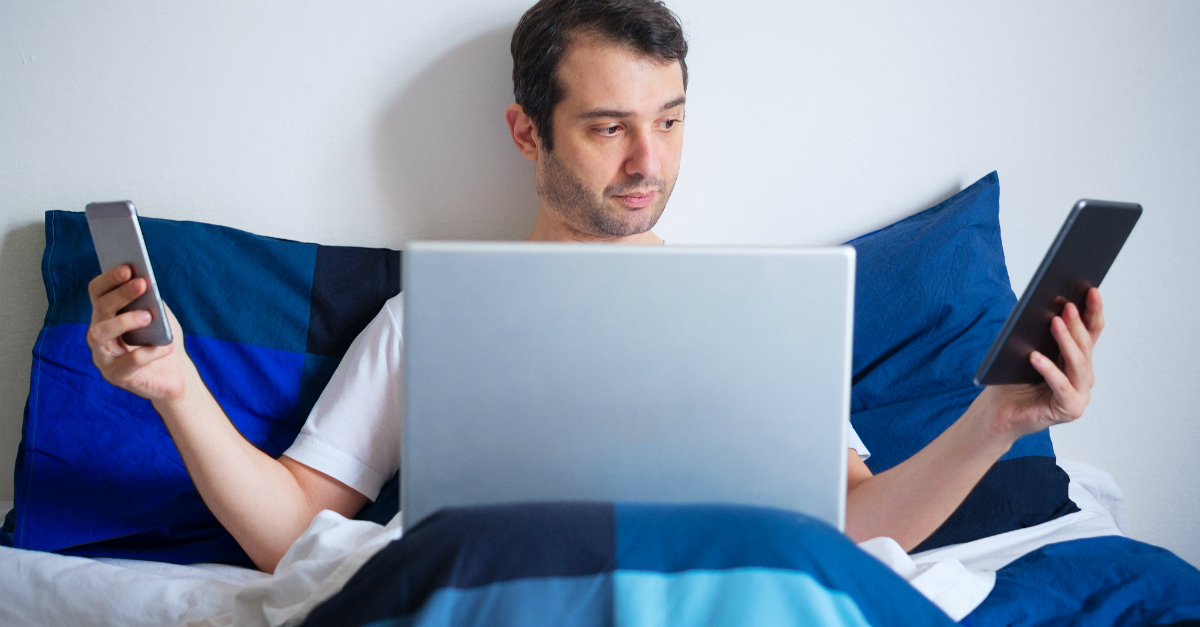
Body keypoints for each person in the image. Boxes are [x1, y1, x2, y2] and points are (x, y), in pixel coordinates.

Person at [84, 0, 1104, 574]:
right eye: (609, 126)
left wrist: (1001, 421)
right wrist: (177, 391)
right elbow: (291, 532)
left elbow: (858, 525)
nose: (647, 161)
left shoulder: (757, 316)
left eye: (669, 120)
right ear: (528, 132)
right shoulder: (431, 316)